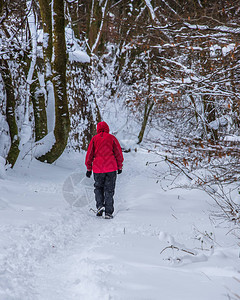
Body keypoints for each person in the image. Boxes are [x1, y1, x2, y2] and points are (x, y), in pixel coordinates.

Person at [85, 121, 124, 219]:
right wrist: (119, 166)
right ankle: (108, 212)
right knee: (109, 190)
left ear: (98, 129)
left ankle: (99, 206)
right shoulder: (112, 138)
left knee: (98, 188)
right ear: (107, 128)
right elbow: (118, 153)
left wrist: (89, 168)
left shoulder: (94, 139)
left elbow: (89, 155)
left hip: (98, 169)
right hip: (111, 168)